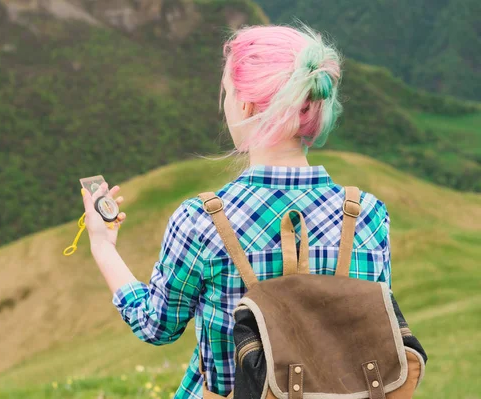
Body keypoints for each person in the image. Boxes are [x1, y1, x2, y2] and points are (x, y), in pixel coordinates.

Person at [81, 24, 393, 398]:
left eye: (227, 92)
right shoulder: (368, 215)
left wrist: (103, 245)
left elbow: (156, 327)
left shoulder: (200, 220)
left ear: (245, 105)